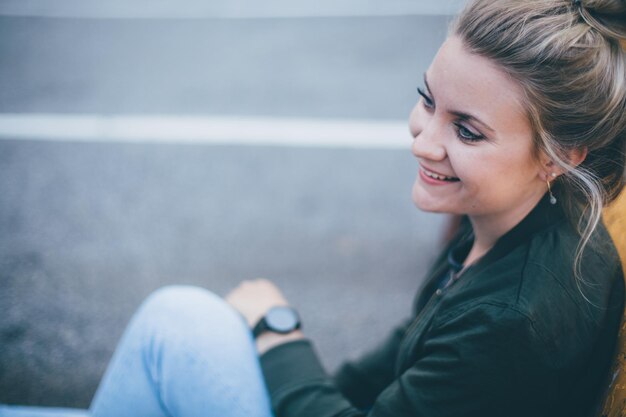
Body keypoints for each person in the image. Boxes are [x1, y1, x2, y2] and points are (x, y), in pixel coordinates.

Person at [2, 0, 625, 416]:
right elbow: (407, 353)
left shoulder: (513, 319)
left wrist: (278, 333)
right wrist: (304, 380)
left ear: (559, 154)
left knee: (175, 326)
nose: (422, 138)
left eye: (468, 131)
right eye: (427, 100)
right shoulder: (523, 216)